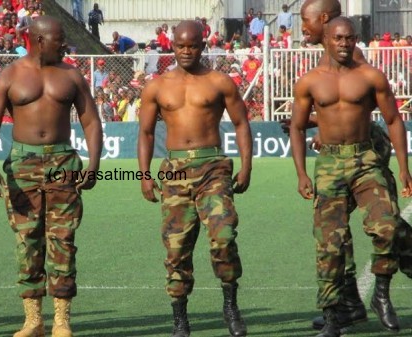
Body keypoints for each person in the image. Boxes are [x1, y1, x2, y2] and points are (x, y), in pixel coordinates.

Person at [283, 0, 412, 332]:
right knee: (333, 239)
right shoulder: (313, 74)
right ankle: (345, 307)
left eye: (306, 20)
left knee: (388, 226)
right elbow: (331, 112)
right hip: (332, 162)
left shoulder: (359, 65)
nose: (303, 27)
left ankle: (385, 284)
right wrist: (319, 130)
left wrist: (403, 167)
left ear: (326, 22)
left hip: (367, 153)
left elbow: (374, 115)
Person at [0, 16, 103, 337]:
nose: (64, 45)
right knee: (27, 241)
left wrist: (93, 163)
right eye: (58, 40)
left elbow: (90, 121)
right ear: (38, 40)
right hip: (22, 163)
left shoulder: (71, 75)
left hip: (63, 161)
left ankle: (62, 319)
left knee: (63, 240)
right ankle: (33, 320)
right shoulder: (10, 75)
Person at [138, 20, 252, 337]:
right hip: (174, 172)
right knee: (176, 250)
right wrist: (145, 175)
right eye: (180, 45)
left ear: (203, 46)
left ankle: (230, 304)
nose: (186, 51)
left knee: (224, 235)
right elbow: (146, 133)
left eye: (193, 45)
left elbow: (242, 123)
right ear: (171, 45)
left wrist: (246, 166)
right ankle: (180, 319)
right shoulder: (157, 86)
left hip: (213, 167)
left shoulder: (219, 81)